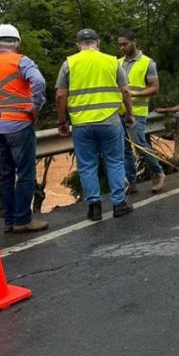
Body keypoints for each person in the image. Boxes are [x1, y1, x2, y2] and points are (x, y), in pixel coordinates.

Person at [55, 29, 136, 221]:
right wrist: (130, 114)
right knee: (115, 161)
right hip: (110, 121)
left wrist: (62, 121)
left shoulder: (69, 63)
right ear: (98, 42)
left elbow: (60, 95)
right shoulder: (112, 61)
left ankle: (94, 207)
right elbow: (125, 91)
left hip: (82, 124)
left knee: (87, 165)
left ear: (78, 45)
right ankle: (119, 204)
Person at [0, 23, 48, 233]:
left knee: (6, 175)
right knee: (25, 173)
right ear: (18, 43)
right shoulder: (21, 61)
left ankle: (8, 221)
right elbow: (39, 82)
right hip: (19, 124)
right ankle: (23, 219)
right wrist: (35, 107)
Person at [117, 29, 166, 194]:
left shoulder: (147, 63)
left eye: (125, 44)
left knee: (140, 145)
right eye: (120, 45)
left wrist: (135, 93)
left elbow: (155, 88)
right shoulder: (117, 63)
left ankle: (158, 172)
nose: (122, 48)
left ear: (134, 42)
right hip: (120, 111)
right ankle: (130, 182)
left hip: (137, 111)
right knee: (124, 149)